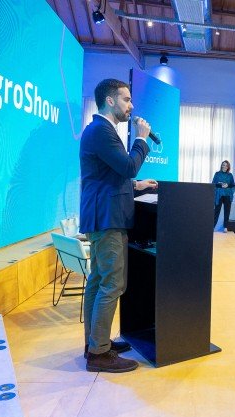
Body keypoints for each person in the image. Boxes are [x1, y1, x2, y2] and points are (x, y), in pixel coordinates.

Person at [80, 78, 156, 373]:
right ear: (110, 100)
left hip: (102, 215)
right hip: (107, 218)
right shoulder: (102, 130)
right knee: (112, 283)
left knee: (98, 281)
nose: (131, 106)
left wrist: (136, 186)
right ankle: (99, 353)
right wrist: (142, 140)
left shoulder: (98, 130)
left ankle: (94, 343)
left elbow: (110, 176)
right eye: (126, 99)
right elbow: (127, 166)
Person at [213, 160, 235, 231]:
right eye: (223, 165)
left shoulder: (230, 175)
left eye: (226, 165)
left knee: (227, 211)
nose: (224, 166)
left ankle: (225, 227)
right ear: (221, 165)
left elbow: (233, 185)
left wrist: (227, 185)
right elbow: (213, 184)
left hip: (227, 194)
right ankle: (212, 227)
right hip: (219, 195)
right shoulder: (217, 174)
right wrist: (221, 185)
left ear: (228, 167)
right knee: (216, 211)